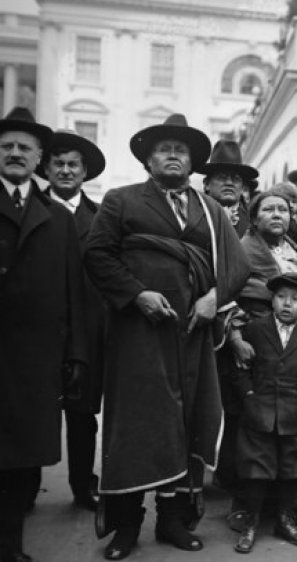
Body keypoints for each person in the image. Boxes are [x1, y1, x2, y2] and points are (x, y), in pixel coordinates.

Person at [84, 113, 250, 560]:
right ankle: (125, 525)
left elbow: (237, 267)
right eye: (164, 149)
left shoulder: (212, 212)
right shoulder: (120, 202)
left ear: (194, 161)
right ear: (147, 160)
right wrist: (136, 294)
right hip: (138, 333)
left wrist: (214, 298)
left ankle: (172, 521)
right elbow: (96, 255)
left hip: (191, 334)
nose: (173, 156)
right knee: (137, 427)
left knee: (186, 424)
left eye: (181, 150)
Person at [0, 107, 87, 562]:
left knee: (20, 462)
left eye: (24, 148)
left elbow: (74, 292)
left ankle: (11, 548)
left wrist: (75, 356)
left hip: (34, 361)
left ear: (39, 160)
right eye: (7, 146)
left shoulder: (57, 218)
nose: (15, 153)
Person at [39, 128, 106, 512]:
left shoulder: (99, 218)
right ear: (46, 168)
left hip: (87, 329)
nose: (65, 171)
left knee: (82, 416)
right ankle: (24, 485)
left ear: (84, 173)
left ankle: (84, 486)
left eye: (73, 165)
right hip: (39, 328)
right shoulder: (30, 209)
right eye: (58, 164)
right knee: (33, 409)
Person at [232, 273, 297, 554]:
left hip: (296, 413)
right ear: (272, 299)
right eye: (282, 297)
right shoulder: (255, 330)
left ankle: (284, 519)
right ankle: (251, 521)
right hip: (260, 412)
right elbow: (240, 369)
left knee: (292, 467)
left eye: (296, 300)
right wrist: (248, 396)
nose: (288, 304)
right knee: (257, 469)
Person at [202, 140, 257, 237]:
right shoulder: (192, 216)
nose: (229, 183)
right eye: (222, 177)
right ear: (207, 184)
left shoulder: (254, 221)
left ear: (242, 187)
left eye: (236, 179)